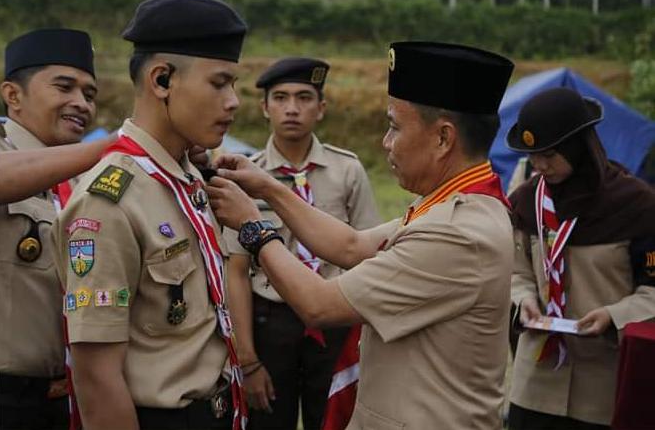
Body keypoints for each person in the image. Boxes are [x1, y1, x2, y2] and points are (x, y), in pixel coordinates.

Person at [208, 41, 515, 429]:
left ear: (443, 139)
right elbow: (353, 246)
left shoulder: (458, 232)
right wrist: (269, 188)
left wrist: (254, 226)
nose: (386, 142)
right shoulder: (453, 205)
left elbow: (320, 304)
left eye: (394, 127)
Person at [51, 0, 248, 430]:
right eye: (219, 83)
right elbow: (97, 378)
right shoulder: (108, 202)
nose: (233, 101)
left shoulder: (186, 177)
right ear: (162, 81)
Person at [222, 57, 380, 430]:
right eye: (280, 97)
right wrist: (248, 359)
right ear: (264, 108)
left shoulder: (347, 171)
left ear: (321, 108)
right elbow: (237, 271)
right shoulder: (246, 175)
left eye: (304, 97)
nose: (292, 108)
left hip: (336, 319)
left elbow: (368, 256)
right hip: (271, 322)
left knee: (332, 420)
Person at [505, 87, 655, 430]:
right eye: (533, 156)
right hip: (535, 386)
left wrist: (614, 316)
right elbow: (515, 271)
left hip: (602, 388)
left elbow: (653, 290)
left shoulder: (638, 207)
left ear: (578, 146)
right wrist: (524, 299)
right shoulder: (527, 202)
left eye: (550, 155)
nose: (540, 166)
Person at [0, 28, 97, 430]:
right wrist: (113, 147)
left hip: (66, 397)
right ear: (13, 94)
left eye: (89, 94)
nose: (81, 104)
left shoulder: (85, 180)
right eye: (64, 87)